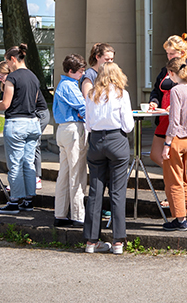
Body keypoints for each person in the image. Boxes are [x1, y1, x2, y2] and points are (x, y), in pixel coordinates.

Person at [0, 44, 44, 214]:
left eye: (7, 61)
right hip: (33, 123)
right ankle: (28, 199)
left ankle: (14, 201)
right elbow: (33, 101)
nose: (8, 65)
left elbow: (5, 104)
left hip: (16, 124)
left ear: (13, 59)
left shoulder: (12, 78)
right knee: (28, 162)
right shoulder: (34, 77)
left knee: (15, 164)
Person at [83, 62, 134, 254]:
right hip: (116, 139)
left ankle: (91, 240)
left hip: (96, 140)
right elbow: (128, 125)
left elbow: (87, 124)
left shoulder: (91, 94)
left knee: (95, 191)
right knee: (117, 191)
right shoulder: (121, 94)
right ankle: (118, 241)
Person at [160, 57, 187, 231]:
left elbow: (174, 120)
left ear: (171, 73)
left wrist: (167, 144)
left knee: (174, 181)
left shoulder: (176, 90)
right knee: (184, 179)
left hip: (177, 139)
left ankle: (180, 219)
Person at [148, 35, 187, 169]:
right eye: (167, 54)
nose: (169, 57)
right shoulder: (165, 70)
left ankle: (177, 178)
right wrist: (154, 102)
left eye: (172, 53)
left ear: (182, 53)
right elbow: (156, 90)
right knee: (156, 154)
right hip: (163, 118)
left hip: (181, 120)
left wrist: (175, 108)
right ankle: (177, 176)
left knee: (175, 158)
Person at [53, 54, 88, 228]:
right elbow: (83, 107)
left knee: (65, 173)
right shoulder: (70, 86)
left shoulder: (63, 84)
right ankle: (78, 214)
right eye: (80, 71)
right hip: (73, 129)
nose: (82, 74)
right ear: (71, 71)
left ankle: (60, 213)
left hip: (63, 129)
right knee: (77, 172)